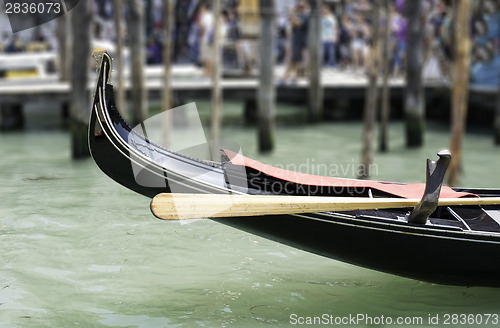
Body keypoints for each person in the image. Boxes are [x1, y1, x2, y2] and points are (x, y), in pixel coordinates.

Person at [281, 1, 308, 84]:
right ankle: (294, 78)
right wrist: (292, 15)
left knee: (293, 60)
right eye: (298, 6)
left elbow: (299, 24)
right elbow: (292, 24)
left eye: (301, 6)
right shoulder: (298, 15)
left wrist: (292, 14)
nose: (299, 8)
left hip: (302, 41)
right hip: (294, 40)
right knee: (293, 60)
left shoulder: (306, 16)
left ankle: (286, 77)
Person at [198, 2, 214, 78]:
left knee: (206, 57)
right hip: (211, 39)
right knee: (209, 57)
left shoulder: (204, 16)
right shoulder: (211, 16)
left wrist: (202, 38)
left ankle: (206, 73)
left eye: (202, 8)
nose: (200, 9)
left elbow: (204, 28)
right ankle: (208, 73)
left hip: (206, 38)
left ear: (205, 8)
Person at [321, 4, 338, 68]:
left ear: (328, 10)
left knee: (331, 53)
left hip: (331, 37)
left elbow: (335, 28)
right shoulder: (320, 18)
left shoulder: (332, 18)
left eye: (325, 10)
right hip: (323, 37)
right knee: (322, 53)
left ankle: (331, 66)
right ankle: (321, 65)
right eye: (323, 10)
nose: (324, 11)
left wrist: (336, 37)